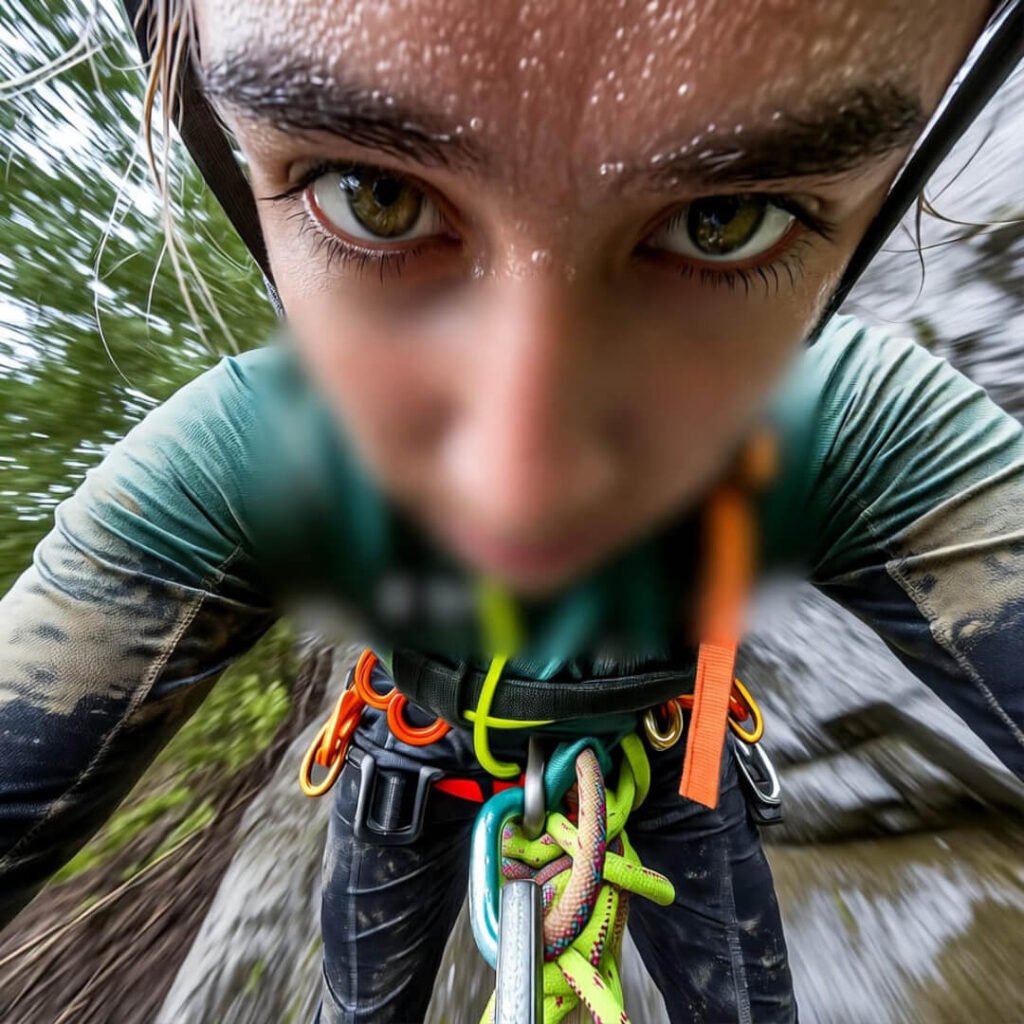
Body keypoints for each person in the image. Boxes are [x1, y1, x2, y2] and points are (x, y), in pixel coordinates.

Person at [2, 1, 1023, 1021]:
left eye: (725, 215)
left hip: (607, 752)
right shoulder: (832, 427)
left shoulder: (849, 421)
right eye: (376, 195)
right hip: (488, 750)